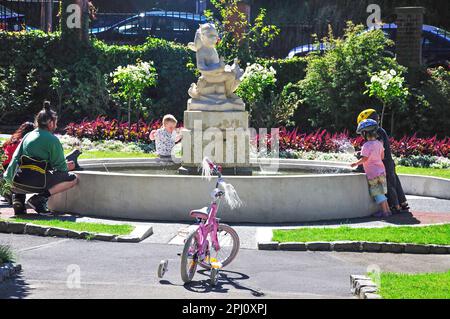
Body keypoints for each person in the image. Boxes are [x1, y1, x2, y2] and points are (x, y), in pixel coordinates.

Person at [3, 101, 78, 215]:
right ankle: (40, 199)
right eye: (55, 122)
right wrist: (68, 166)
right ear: (51, 123)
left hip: (17, 182)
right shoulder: (52, 140)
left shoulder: (28, 135)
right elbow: (61, 168)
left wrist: (7, 180)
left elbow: (15, 158)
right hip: (37, 183)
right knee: (73, 178)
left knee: (27, 169)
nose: (56, 125)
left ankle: (19, 200)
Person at [357, 109, 410, 214]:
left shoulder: (376, 132)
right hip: (388, 161)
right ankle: (402, 203)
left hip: (383, 163)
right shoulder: (380, 130)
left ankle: (395, 206)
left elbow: (374, 150)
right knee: (394, 181)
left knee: (389, 184)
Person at [351, 119, 391, 218]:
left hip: (373, 173)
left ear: (365, 134)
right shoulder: (379, 144)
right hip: (381, 171)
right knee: (381, 192)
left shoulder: (366, 145)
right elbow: (382, 157)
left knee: (378, 193)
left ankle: (385, 212)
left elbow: (365, 158)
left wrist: (356, 163)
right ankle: (388, 211)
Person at [1, 122, 35, 205]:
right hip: (12, 166)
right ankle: (11, 193)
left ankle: (8, 192)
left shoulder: (12, 138)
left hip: (4, 166)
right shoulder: (25, 141)